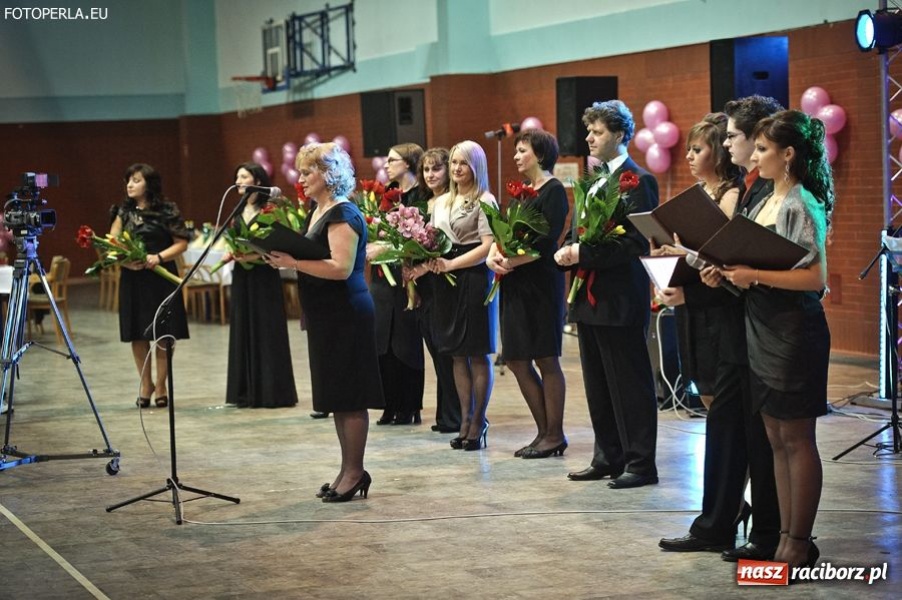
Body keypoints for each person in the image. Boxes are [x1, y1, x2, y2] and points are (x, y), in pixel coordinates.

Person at [708, 110, 833, 571]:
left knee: (797, 438)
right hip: (760, 325)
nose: (753, 157)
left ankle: (799, 542)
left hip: (793, 329)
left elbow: (814, 277)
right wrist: (725, 273)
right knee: (776, 438)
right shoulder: (764, 200)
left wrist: (752, 274)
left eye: (762, 149)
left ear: (788, 154)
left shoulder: (802, 201)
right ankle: (782, 534)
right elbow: (755, 265)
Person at [660, 97, 784, 560]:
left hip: (756, 325)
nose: (728, 141)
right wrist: (703, 264)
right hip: (739, 322)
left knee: (758, 436)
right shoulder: (753, 190)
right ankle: (716, 522)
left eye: (733, 135)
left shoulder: (761, 192)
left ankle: (771, 534)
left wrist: (710, 270)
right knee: (726, 428)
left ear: (759, 140)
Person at [264, 143, 383, 502]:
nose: (300, 179)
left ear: (328, 174)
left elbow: (341, 268)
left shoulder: (342, 214)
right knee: (335, 395)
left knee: (350, 395)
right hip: (326, 313)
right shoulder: (318, 210)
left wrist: (293, 263)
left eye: (307, 172)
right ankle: (347, 469)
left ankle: (355, 471)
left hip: (346, 311)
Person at [554, 100, 659, 489]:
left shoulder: (638, 180)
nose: (589, 138)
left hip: (619, 297)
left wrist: (585, 252)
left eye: (597, 132)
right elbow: (580, 230)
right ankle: (608, 456)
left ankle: (640, 462)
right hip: (590, 299)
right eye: (589, 131)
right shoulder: (594, 178)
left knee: (629, 383)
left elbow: (636, 243)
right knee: (599, 383)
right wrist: (567, 248)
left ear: (618, 134)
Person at [486, 129, 569, 458]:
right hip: (515, 282)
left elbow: (545, 244)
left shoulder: (554, 191)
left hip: (540, 284)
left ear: (540, 154)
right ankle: (543, 431)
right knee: (518, 360)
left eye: (522, 151)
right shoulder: (522, 193)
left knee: (546, 358)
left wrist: (510, 259)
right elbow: (503, 233)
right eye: (516, 151)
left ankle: (555, 434)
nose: (517, 156)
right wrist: (495, 254)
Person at [425, 140, 497, 451]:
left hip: (474, 276)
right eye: (453, 162)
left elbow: (486, 246)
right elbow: (431, 240)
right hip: (445, 279)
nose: (456, 169)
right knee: (456, 353)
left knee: (477, 352)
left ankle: (478, 420)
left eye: (463, 163)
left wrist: (452, 263)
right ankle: (464, 418)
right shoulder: (439, 202)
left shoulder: (486, 200)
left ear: (476, 167)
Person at [110, 163, 190, 409]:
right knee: (138, 332)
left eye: (135, 180)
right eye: (128, 181)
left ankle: (162, 384)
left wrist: (159, 257)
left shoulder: (167, 210)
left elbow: (181, 243)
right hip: (134, 278)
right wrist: (126, 261)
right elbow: (112, 242)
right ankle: (145, 383)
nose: (130, 185)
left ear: (149, 184)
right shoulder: (122, 212)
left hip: (161, 275)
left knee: (164, 334)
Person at [224, 163, 298, 409]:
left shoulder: (271, 209)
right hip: (242, 277)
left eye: (243, 176)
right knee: (243, 327)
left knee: (267, 330)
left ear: (257, 180)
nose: (238, 180)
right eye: (237, 176)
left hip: (264, 276)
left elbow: (279, 244)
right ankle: (244, 391)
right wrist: (234, 252)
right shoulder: (238, 209)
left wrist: (253, 256)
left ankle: (271, 391)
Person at [405, 147, 462, 434]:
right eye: (426, 170)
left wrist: (425, 267)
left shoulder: (453, 202)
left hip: (445, 280)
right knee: (437, 352)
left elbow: (449, 244)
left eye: (436, 169)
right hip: (427, 286)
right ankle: (446, 415)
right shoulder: (421, 202)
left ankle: (457, 416)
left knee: (448, 351)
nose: (430, 175)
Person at [369, 143, 426, 426]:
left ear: (408, 163)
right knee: (382, 341)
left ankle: (409, 405)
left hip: (408, 275)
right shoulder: (384, 195)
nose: (387, 164)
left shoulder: (420, 195)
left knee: (406, 342)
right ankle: (388, 403)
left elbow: (422, 235)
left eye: (392, 160)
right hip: (381, 277)